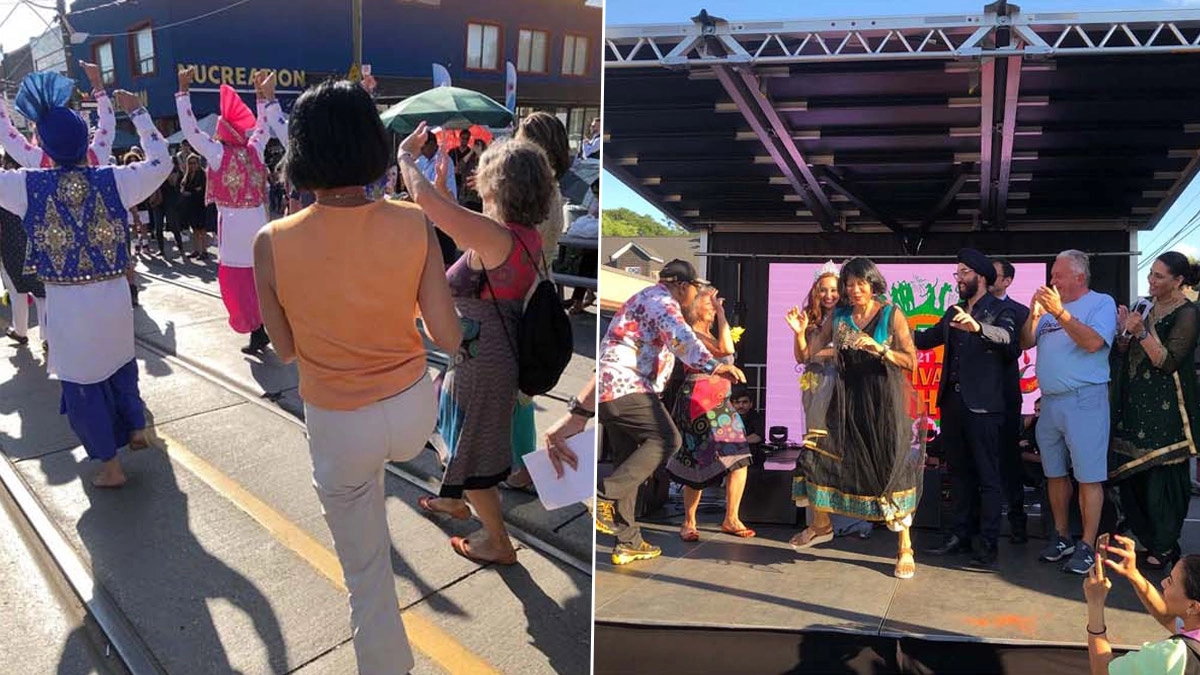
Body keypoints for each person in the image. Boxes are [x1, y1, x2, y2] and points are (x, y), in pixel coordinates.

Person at [252, 79, 461, 675]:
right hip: (411, 412)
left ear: (301, 155)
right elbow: (447, 337)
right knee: (378, 470)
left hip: (340, 420)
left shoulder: (273, 242)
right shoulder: (413, 224)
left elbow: (286, 351)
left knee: (367, 569)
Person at [0, 73, 169, 487]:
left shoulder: (27, 186)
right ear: (85, 140)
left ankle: (110, 467)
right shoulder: (114, 178)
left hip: (66, 305)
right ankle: (134, 426)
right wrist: (139, 114)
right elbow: (162, 163)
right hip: (113, 298)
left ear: (43, 146)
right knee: (119, 367)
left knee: (82, 386)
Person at [398, 120, 550, 566]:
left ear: (496, 186)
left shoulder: (497, 237)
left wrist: (407, 158)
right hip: (482, 354)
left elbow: (428, 205)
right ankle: (452, 498)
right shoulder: (519, 233)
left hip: (482, 358)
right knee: (455, 430)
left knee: (475, 452)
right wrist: (443, 186)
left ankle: (498, 541)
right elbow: (454, 220)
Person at [595, 259, 747, 565]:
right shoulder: (663, 302)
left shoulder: (642, 298)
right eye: (695, 289)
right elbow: (682, 339)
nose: (696, 296)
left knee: (628, 463)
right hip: (628, 385)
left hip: (611, 388)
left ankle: (628, 542)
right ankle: (602, 496)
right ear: (682, 286)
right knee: (666, 440)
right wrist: (717, 366)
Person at [788, 257, 924, 580]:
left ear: (873, 283)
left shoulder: (891, 314)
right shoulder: (840, 315)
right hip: (844, 402)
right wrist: (798, 333)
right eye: (849, 284)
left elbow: (911, 362)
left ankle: (905, 546)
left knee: (890, 473)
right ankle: (821, 525)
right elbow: (806, 355)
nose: (854, 289)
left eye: (860, 282)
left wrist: (879, 349)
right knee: (814, 456)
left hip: (883, 405)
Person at [915, 249, 1018, 569]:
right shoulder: (953, 311)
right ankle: (959, 535)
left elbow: (1009, 341)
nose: (958, 279)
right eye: (956, 274)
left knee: (988, 477)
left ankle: (987, 545)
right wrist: (892, 324)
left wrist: (978, 329)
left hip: (986, 406)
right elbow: (924, 339)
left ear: (981, 277)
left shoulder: (1002, 310)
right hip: (953, 403)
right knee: (958, 473)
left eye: (963, 273)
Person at [1020, 249, 1118, 575]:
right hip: (1050, 402)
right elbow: (1025, 343)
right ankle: (1061, 536)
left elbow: (1092, 343)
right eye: (1051, 276)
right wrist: (1035, 314)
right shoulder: (1047, 311)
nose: (1052, 281)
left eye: (1058, 275)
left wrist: (1060, 314)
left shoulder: (1100, 303)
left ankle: (1088, 544)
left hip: (1084, 399)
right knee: (1054, 473)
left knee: (1088, 475)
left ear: (1079, 277)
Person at [1109, 252, 1200, 570]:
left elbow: (1168, 361)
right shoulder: (1143, 305)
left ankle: (1164, 546)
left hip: (1166, 411)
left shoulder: (1187, 313)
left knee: (1163, 481)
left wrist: (1141, 331)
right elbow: (1125, 349)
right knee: (1134, 480)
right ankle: (1150, 540)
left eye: (1159, 276)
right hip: (1134, 406)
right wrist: (1124, 332)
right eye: (1150, 274)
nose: (1151, 280)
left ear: (1178, 281)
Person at [176, 67, 272, 355]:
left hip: (232, 225)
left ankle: (256, 329)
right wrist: (261, 96)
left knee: (236, 283)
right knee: (261, 278)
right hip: (258, 221)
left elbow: (191, 132)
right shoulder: (256, 148)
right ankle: (265, 327)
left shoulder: (218, 154)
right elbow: (264, 125)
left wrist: (183, 92)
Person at [667, 288, 754, 541]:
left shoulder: (709, 333)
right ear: (694, 308)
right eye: (709, 303)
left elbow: (726, 347)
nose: (714, 306)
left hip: (722, 405)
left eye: (716, 303)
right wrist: (722, 312)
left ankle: (731, 517)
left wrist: (722, 313)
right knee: (696, 463)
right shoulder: (691, 335)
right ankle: (689, 521)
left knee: (739, 456)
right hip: (698, 402)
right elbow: (725, 348)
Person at [1085, 535, 1200, 675]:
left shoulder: (1171, 656)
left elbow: (1103, 671)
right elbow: (1168, 619)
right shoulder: (1193, 631)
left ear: (1193, 607)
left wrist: (1095, 603)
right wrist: (1133, 574)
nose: (1163, 583)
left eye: (1170, 581)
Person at [992, 258, 1033, 543]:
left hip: (1005, 395)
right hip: (972, 398)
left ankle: (1018, 522)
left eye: (994, 275)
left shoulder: (1020, 312)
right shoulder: (971, 307)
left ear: (1007, 281)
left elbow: (1018, 348)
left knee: (1009, 461)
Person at [515, 112, 571, 265]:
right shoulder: (552, 190)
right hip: (542, 281)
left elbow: (500, 245)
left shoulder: (531, 195)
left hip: (521, 285)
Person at [179, 155, 209, 261]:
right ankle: (196, 250)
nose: (192, 165)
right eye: (190, 163)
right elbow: (184, 187)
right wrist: (189, 191)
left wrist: (189, 192)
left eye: (194, 163)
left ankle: (204, 251)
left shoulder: (202, 174)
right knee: (195, 229)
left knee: (202, 229)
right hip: (190, 205)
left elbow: (200, 189)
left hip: (200, 204)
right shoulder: (187, 175)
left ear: (198, 163)